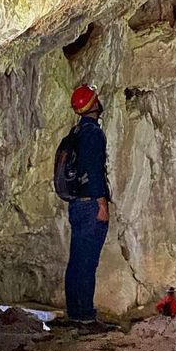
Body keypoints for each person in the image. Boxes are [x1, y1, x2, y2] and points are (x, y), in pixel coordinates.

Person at [54, 84, 112, 330]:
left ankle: (75, 313)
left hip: (77, 204)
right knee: (87, 262)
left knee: (77, 260)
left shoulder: (76, 132)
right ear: (94, 104)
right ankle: (85, 316)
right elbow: (93, 170)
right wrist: (101, 203)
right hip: (90, 205)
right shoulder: (92, 134)